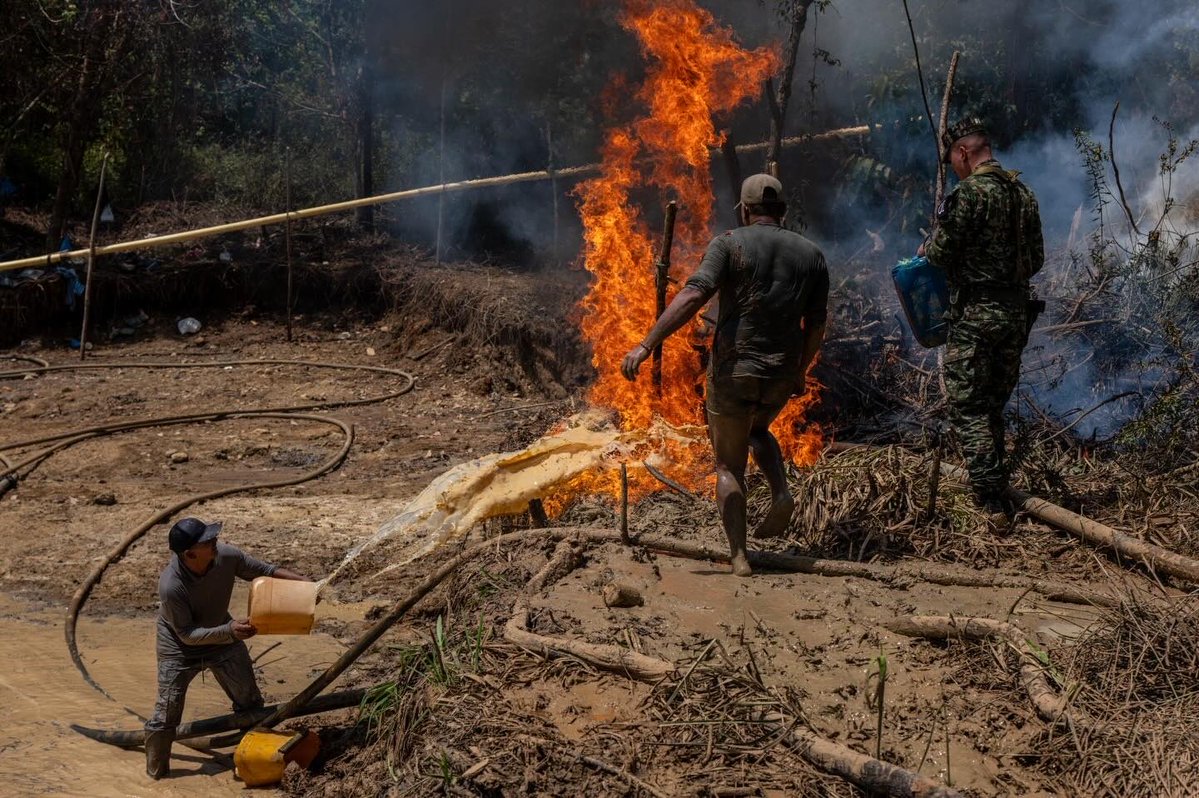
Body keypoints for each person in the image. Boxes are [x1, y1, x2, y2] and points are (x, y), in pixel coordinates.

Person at [621, 174, 829, 577]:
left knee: (728, 466)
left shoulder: (730, 243)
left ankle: (738, 557)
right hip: (781, 372)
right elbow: (816, 324)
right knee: (758, 430)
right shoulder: (812, 254)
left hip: (736, 370)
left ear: (745, 209)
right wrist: (801, 370)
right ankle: (781, 492)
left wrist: (646, 344)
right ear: (782, 211)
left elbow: (694, 295)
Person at [922, 117, 1044, 528]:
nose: (954, 168)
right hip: (1015, 315)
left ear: (963, 153)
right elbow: (1038, 259)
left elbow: (939, 255)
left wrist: (937, 245)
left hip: (976, 315)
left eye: (953, 161)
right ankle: (997, 482)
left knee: (968, 406)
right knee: (993, 403)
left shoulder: (968, 194)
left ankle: (991, 501)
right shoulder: (1023, 194)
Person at [144, 516, 312, 779]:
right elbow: (187, 635)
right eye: (207, 541)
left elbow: (266, 571)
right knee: (166, 716)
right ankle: (157, 775)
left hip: (223, 638)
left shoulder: (226, 556)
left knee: (250, 702)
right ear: (190, 554)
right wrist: (230, 631)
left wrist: (306, 585)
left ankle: (255, 761)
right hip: (179, 649)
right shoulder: (171, 586)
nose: (215, 542)